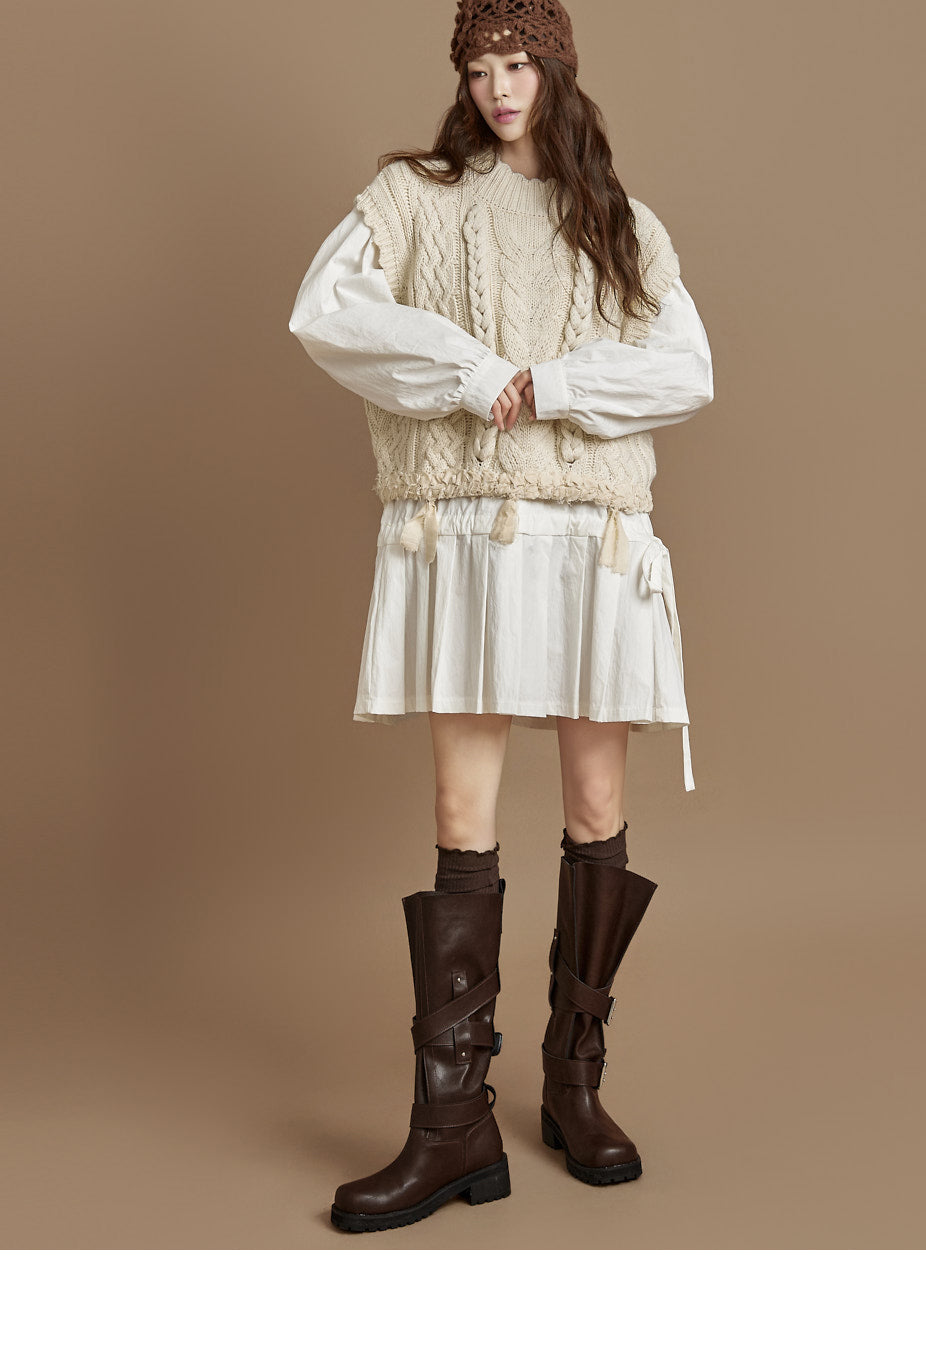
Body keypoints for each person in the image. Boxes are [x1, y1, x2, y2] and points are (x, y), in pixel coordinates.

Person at [288, 0, 714, 1234]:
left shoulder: (618, 221)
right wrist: (475, 374)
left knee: (595, 803)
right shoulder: (413, 199)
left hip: (589, 536)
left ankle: (574, 1087)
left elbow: (685, 368)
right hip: (464, 531)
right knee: (459, 814)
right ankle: (451, 1124)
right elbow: (327, 313)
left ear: (555, 69)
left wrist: (555, 384)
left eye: (518, 62)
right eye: (479, 66)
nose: (498, 86)